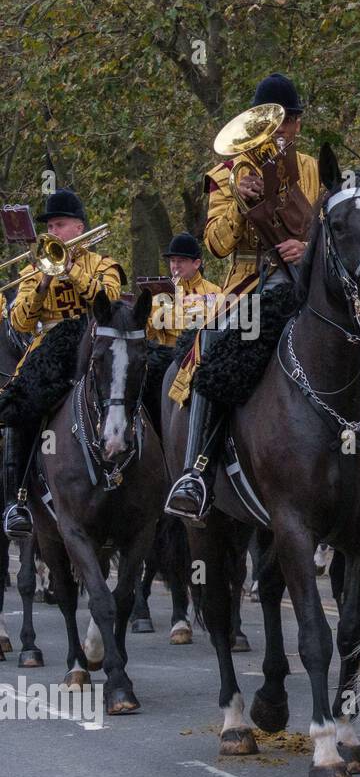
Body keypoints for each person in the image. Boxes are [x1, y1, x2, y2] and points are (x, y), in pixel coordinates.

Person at [164, 72, 322, 521]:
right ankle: (195, 472)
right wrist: (238, 199)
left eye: (290, 120)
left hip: (303, 281)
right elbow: (214, 244)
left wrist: (308, 249)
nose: (284, 129)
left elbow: (329, 229)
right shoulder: (224, 173)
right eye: (274, 121)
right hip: (249, 284)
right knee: (212, 343)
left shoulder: (310, 167)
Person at [1, 189, 124, 538]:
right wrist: (42, 282)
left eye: (60, 225)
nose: (52, 232)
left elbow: (109, 301)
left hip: (95, 340)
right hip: (51, 346)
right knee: (18, 403)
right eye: (50, 226)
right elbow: (21, 323)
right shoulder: (31, 269)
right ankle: (17, 501)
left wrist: (70, 270)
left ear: (79, 227)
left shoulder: (103, 264)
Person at [148, 232, 220, 347]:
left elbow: (220, 331)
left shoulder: (215, 291)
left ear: (196, 264)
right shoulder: (161, 293)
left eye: (181, 260)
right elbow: (148, 334)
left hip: (201, 355)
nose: (175, 265)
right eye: (172, 260)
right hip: (168, 356)